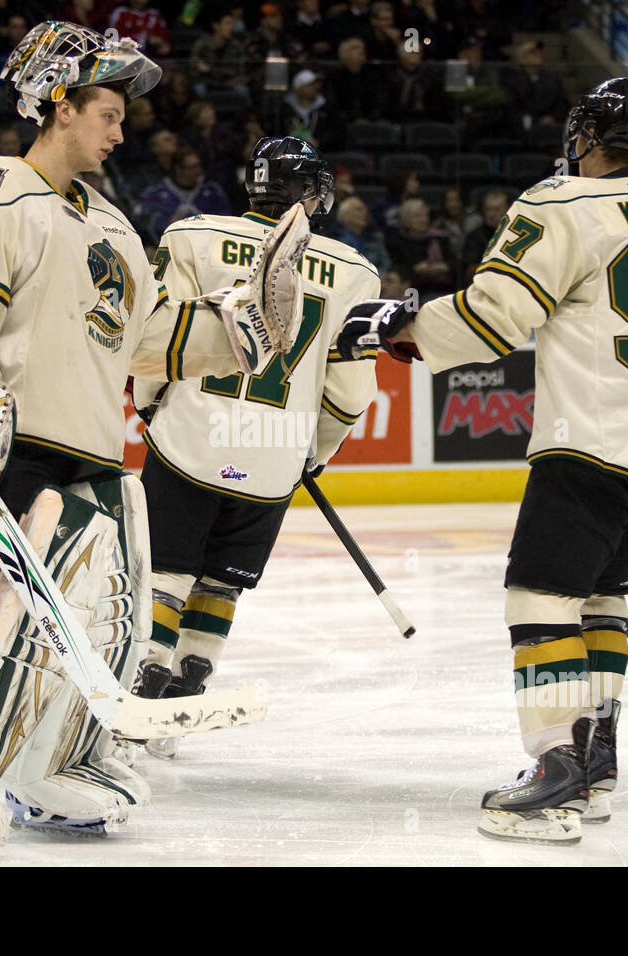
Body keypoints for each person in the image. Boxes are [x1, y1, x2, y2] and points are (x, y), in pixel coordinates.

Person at [0, 20, 308, 853]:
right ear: (57, 106)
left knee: (99, 626)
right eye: (106, 111)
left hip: (95, 453)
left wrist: (244, 331)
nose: (119, 129)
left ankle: (48, 763)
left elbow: (143, 334)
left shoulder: (106, 224)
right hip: (15, 446)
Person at [335, 78, 628, 846]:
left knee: (540, 597)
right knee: (603, 602)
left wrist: (396, 329)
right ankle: (596, 765)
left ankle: (555, 764)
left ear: (586, 136)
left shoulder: (560, 205)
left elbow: (495, 315)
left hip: (592, 443)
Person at [130, 136, 380, 758]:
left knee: (163, 577)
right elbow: (350, 389)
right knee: (221, 583)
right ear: (314, 194)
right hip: (273, 459)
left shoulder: (192, 236)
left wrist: (154, 404)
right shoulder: (354, 272)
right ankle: (190, 682)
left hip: (189, 439)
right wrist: (312, 449)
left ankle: (144, 687)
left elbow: (156, 336)